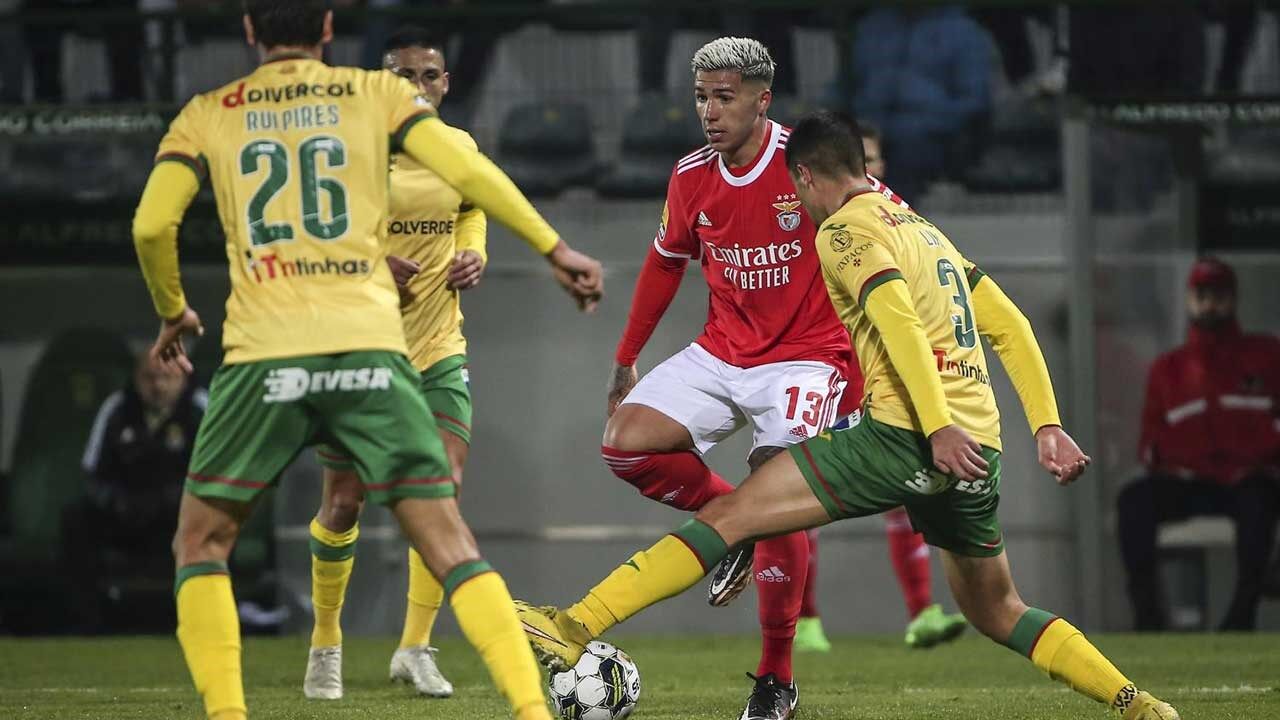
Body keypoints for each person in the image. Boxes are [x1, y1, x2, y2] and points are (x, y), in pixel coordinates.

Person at [517, 111, 1180, 720]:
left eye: (795, 187)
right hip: (981, 447)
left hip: (905, 438)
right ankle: (1137, 703)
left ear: (806, 176)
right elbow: (1009, 324)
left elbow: (897, 323)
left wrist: (934, 427)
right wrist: (1047, 425)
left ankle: (573, 624)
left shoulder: (841, 232)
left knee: (733, 515)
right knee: (998, 609)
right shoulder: (922, 229)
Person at [131, 1, 602, 718]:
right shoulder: (372, 95)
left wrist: (173, 309)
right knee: (446, 536)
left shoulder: (206, 112)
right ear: (328, 27)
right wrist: (554, 248)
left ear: (249, 30)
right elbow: (467, 169)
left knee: (201, 541)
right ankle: (531, 712)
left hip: (267, 350)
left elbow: (150, 225)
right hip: (369, 349)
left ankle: (235, 710)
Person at [603, 37, 863, 719]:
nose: (709, 112)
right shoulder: (691, 174)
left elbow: (883, 218)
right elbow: (665, 263)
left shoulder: (804, 164)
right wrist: (626, 358)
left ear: (762, 99)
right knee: (625, 443)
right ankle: (736, 523)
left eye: (723, 97)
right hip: (724, 351)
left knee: (777, 484)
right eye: (700, 98)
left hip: (806, 355)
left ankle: (776, 678)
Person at [301, 25, 491, 700]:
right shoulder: (349, 151)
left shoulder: (458, 148)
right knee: (343, 502)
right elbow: (312, 241)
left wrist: (475, 252)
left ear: (446, 83)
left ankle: (415, 646)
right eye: (403, 75)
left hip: (437, 349)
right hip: (359, 348)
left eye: (429, 75)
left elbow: (471, 210)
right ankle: (326, 641)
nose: (417, 86)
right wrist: (371, 263)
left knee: (442, 494)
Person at [796, 121, 966, 654]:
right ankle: (804, 621)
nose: (864, 169)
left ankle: (923, 612)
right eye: (859, 158)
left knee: (906, 490)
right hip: (824, 367)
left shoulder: (896, 219)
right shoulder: (823, 224)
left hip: (880, 366)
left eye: (872, 159)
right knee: (800, 491)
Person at [1118, 258, 1280, 632]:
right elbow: (1150, 441)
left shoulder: (1267, 356)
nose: (1210, 305)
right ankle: (1149, 620)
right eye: (1202, 295)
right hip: (1190, 482)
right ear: (1190, 299)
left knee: (1259, 500)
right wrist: (1182, 458)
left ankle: (1241, 617)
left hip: (1249, 480)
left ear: (1233, 299)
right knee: (1133, 502)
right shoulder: (1169, 369)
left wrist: (1255, 452)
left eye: (1218, 296)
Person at [61, 352, 206, 632]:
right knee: (75, 520)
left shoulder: (199, 409)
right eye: (149, 377)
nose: (158, 386)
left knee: (214, 522)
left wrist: (171, 501)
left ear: (183, 379)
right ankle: (86, 625)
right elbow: (92, 472)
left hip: (177, 519)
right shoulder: (116, 408)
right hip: (125, 515)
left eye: (167, 377)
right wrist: (116, 502)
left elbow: (213, 476)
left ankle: (201, 621)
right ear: (136, 378)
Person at [839, 6, 992, 201]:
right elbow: (845, 86)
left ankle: (894, 214)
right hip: (868, 124)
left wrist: (928, 121)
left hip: (929, 133)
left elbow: (974, 100)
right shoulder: (872, 27)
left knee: (904, 153)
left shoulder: (963, 31)